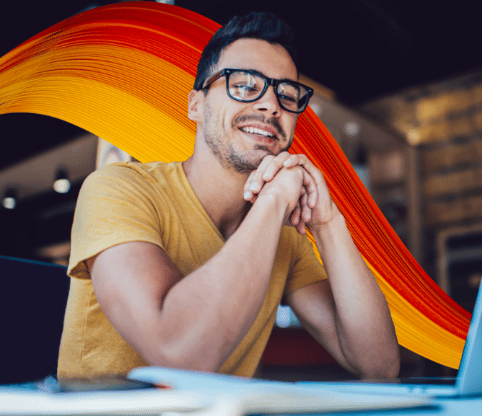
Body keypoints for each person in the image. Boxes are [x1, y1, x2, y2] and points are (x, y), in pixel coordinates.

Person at [57, 11, 400, 379]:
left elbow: (378, 364)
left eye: (286, 94)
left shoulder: (287, 235)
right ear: (196, 105)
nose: (271, 106)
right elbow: (177, 351)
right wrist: (274, 201)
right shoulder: (118, 189)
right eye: (246, 85)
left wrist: (329, 222)